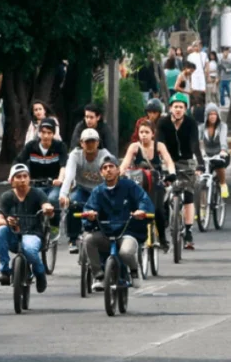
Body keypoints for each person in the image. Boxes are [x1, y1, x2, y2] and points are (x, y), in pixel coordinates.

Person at [81, 154, 155, 291]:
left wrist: (142, 211)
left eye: (111, 166)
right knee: (88, 240)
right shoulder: (98, 191)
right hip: (106, 233)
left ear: (118, 170)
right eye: (105, 167)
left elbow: (144, 200)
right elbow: (89, 209)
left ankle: (134, 271)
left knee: (126, 253)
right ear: (101, 172)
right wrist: (90, 215)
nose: (108, 170)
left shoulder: (130, 186)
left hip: (127, 232)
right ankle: (99, 276)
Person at [0, 164, 54, 290]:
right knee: (1, 230)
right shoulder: (7, 196)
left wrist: (47, 208)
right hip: (14, 234)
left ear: (29, 178)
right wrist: (7, 221)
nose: (22, 179)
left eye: (25, 176)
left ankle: (39, 272)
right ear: (12, 180)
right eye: (18, 177)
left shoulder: (38, 193)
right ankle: (5, 271)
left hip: (33, 233)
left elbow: (46, 205)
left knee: (30, 250)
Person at [157, 92, 203, 250]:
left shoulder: (190, 123)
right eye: (175, 106)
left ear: (186, 109)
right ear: (170, 108)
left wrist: (199, 164)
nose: (178, 110)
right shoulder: (163, 123)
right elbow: (159, 142)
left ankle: (189, 231)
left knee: (189, 194)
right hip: (166, 161)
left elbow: (195, 143)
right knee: (161, 191)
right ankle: (162, 226)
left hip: (186, 161)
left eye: (181, 107)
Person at [120, 120, 176, 250]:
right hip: (138, 182)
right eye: (141, 132)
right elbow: (124, 164)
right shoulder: (134, 147)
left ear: (152, 134)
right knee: (131, 208)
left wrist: (172, 173)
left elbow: (169, 161)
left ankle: (162, 239)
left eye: (146, 132)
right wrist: (119, 174)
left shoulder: (159, 146)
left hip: (156, 181)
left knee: (157, 210)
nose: (143, 135)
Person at [59, 129, 114, 253]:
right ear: (81, 143)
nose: (90, 145)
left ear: (98, 142)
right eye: (87, 142)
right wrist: (63, 194)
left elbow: (112, 175)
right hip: (82, 189)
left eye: (93, 142)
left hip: (100, 190)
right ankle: (73, 239)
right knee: (73, 204)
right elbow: (69, 176)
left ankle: (109, 235)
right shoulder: (75, 155)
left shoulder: (105, 155)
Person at [17, 117, 67, 211]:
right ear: (39, 133)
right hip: (36, 184)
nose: (46, 136)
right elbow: (18, 161)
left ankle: (54, 224)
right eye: (43, 132)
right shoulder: (31, 146)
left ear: (53, 134)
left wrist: (60, 179)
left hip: (54, 185)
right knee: (33, 200)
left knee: (53, 199)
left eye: (49, 133)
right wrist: (15, 176)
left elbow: (63, 165)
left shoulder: (60, 146)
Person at [199, 103, 231, 199]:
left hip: (220, 154)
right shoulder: (201, 128)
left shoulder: (223, 126)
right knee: (200, 177)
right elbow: (199, 142)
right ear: (207, 115)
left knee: (219, 165)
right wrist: (202, 154)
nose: (213, 116)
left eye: (215, 114)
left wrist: (223, 150)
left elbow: (223, 139)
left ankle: (223, 184)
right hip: (206, 156)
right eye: (210, 114)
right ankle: (202, 204)